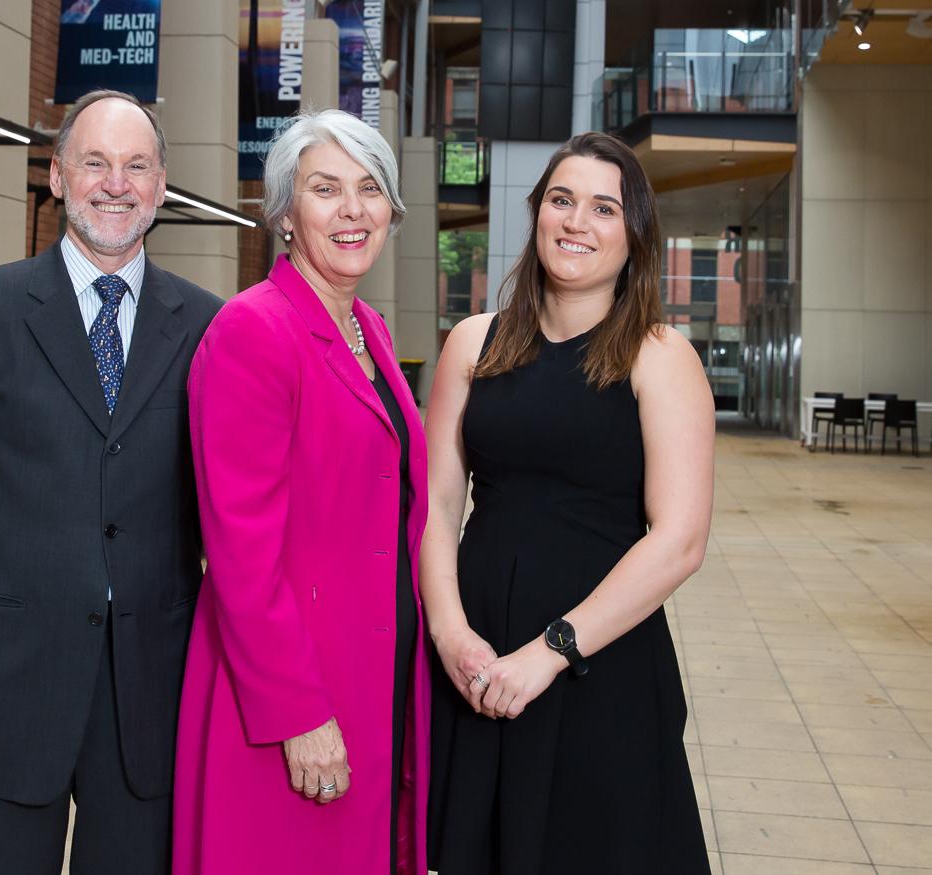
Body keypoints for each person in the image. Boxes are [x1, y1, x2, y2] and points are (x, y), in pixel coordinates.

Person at [0, 90, 221, 875]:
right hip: (4, 679)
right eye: (96, 163)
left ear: (162, 185)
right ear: (55, 175)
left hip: (149, 692)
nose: (117, 184)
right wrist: (4, 601)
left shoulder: (212, 327)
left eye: (137, 166)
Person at [423, 131, 714, 873]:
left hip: (598, 663)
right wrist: (452, 634)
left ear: (632, 234)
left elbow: (679, 539)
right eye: (562, 199)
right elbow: (434, 506)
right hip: (480, 663)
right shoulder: (472, 344)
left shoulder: (659, 356)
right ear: (537, 213)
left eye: (603, 208)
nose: (577, 221)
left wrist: (552, 652)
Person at [173, 109, 429, 875]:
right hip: (289, 693)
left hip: (372, 670)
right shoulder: (254, 330)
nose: (353, 209)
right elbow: (241, 554)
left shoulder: (369, 332)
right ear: (285, 212)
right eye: (326, 189)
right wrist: (300, 714)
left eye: (369, 187)